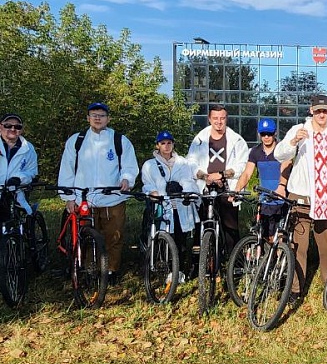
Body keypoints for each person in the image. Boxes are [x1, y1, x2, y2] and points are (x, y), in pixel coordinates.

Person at [58, 102, 138, 284]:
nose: (97, 118)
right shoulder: (76, 141)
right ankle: (89, 269)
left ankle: (111, 271)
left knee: (113, 236)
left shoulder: (119, 140)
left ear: (108, 119)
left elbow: (129, 165)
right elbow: (67, 169)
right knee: (86, 236)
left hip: (113, 198)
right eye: (93, 115)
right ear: (88, 118)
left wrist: (126, 179)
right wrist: (68, 197)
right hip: (84, 198)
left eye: (101, 115)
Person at [274, 94, 327, 305]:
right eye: (318, 110)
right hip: (300, 194)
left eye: (325, 110)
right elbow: (278, 154)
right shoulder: (299, 130)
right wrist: (294, 141)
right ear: (311, 110)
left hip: (325, 195)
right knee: (298, 245)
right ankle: (295, 289)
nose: (322, 114)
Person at [187, 104, 249, 256]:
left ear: (226, 118)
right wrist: (205, 176)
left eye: (222, 118)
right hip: (205, 187)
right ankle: (199, 265)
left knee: (230, 228)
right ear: (209, 119)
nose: (219, 122)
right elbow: (191, 163)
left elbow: (241, 165)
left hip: (227, 188)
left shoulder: (236, 140)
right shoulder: (199, 139)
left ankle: (234, 265)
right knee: (201, 224)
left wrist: (222, 175)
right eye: (215, 118)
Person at [141, 131, 199, 281]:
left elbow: (188, 181)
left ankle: (178, 270)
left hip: (180, 206)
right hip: (162, 206)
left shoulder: (182, 163)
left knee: (180, 239)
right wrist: (152, 192)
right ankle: (162, 267)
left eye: (169, 143)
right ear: (157, 145)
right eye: (163, 143)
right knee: (162, 236)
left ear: (173, 144)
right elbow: (146, 184)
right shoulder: (149, 165)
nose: (166, 146)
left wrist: (185, 191)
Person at [234, 117, 292, 240]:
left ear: (275, 133)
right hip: (264, 200)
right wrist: (237, 190)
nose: (266, 137)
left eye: (269, 134)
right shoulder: (255, 152)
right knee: (265, 236)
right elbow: (247, 173)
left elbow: (287, 167)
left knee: (280, 238)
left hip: (281, 199)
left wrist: (281, 187)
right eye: (263, 134)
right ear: (259, 134)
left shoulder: (282, 150)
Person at [0, 113, 38, 220]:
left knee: (17, 223)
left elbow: (32, 172)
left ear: (21, 130)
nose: (13, 129)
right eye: (8, 126)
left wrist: (18, 178)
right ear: (0, 127)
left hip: (15, 193)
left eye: (17, 127)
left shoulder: (28, 148)